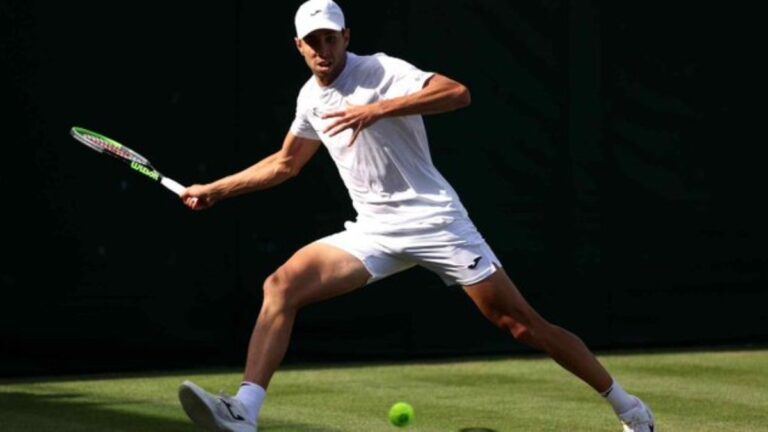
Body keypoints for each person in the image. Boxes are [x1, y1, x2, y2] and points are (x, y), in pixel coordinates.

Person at [176, 0, 656, 431]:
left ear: (346, 37)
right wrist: (216, 190)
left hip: (435, 221)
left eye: (331, 37)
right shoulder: (310, 98)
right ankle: (246, 410)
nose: (323, 48)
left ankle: (629, 409)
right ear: (299, 46)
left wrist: (381, 109)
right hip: (373, 231)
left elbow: (458, 92)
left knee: (521, 324)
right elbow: (286, 163)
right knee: (281, 286)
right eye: (313, 41)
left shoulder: (381, 70)